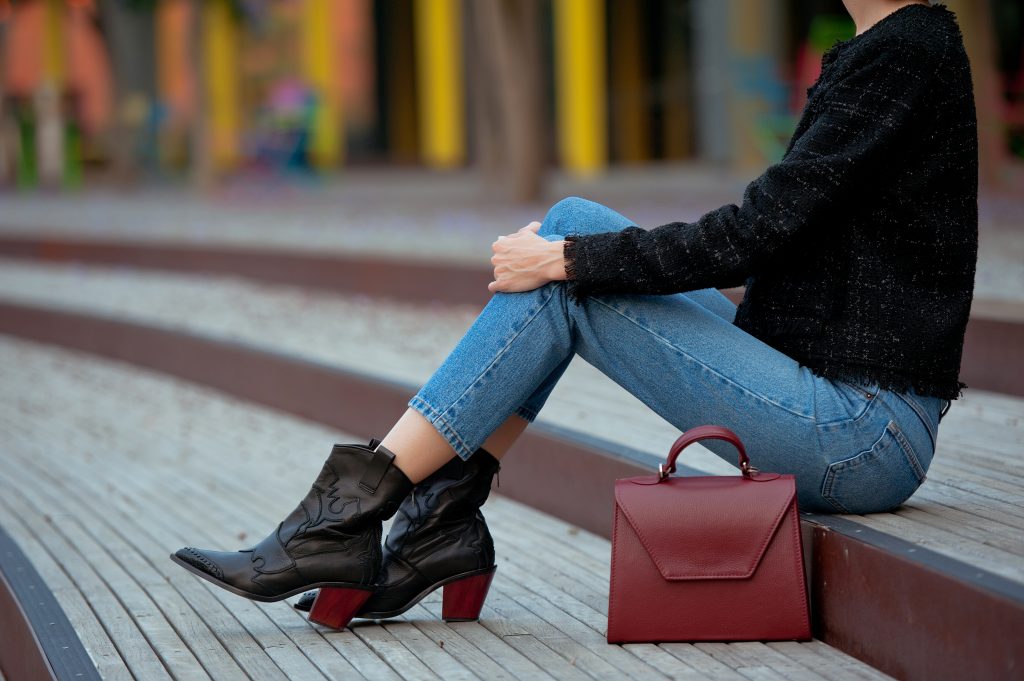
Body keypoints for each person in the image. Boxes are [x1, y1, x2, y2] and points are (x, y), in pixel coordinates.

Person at [171, 0, 977, 630]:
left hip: (861, 432)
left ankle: (357, 515)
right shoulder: (884, 51)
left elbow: (757, 230)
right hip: (828, 394)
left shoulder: (909, 50)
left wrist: (569, 263)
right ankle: (424, 522)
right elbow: (776, 235)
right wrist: (572, 253)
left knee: (566, 262)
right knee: (571, 218)